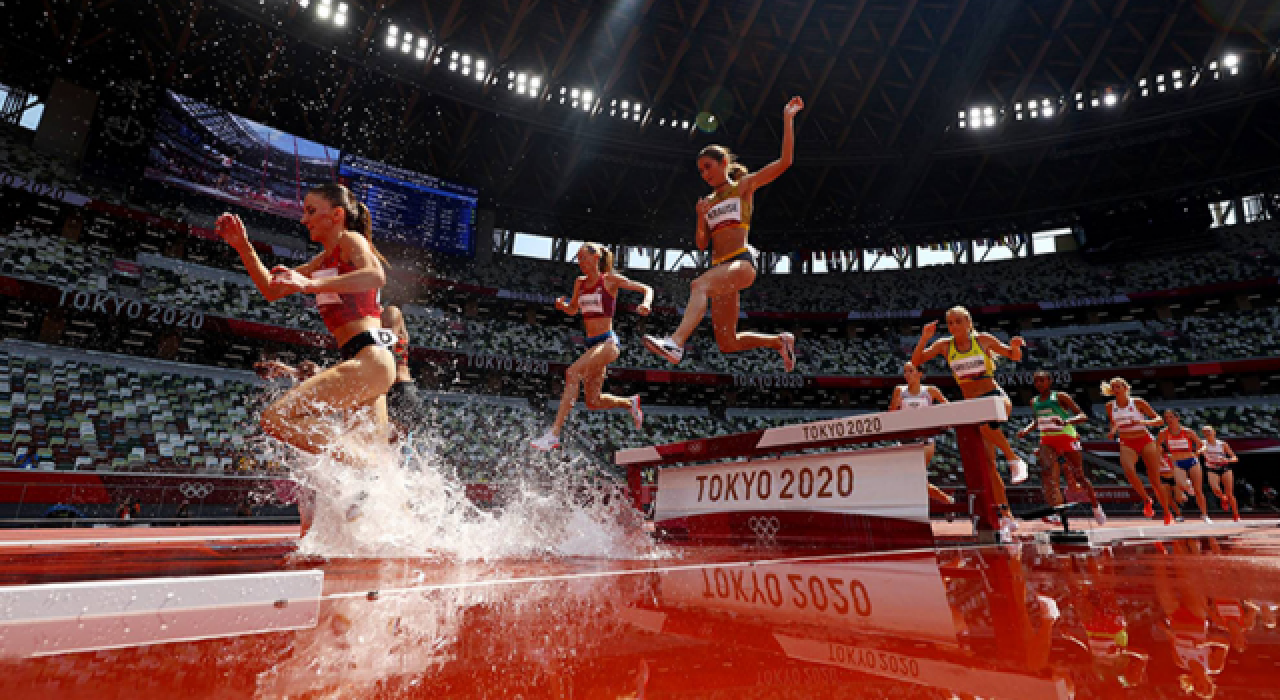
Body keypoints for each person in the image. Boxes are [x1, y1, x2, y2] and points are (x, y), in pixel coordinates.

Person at [217, 183, 397, 469]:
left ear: (337, 214)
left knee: (276, 419)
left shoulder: (351, 240)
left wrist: (310, 285)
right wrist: (243, 246)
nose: (304, 220)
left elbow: (376, 275)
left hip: (371, 359)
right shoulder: (323, 260)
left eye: (311, 211)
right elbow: (271, 290)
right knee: (376, 481)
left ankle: (369, 467)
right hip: (365, 366)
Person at [643, 98, 805, 372]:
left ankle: (676, 342)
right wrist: (699, 216)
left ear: (724, 163)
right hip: (719, 266)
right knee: (727, 342)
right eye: (700, 170)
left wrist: (788, 118)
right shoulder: (707, 201)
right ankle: (779, 341)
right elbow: (701, 243)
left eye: (708, 166)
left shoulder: (744, 186)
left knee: (698, 286)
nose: (704, 174)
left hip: (741, 263)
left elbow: (785, 161)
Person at [910, 306, 1028, 536]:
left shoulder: (982, 340)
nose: (953, 326)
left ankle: (1014, 459)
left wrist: (1015, 347)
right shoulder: (945, 345)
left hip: (995, 397)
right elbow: (916, 361)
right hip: (973, 407)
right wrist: (924, 338)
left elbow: (1013, 356)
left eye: (957, 322)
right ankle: (1006, 515)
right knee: (989, 464)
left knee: (985, 420)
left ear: (968, 322)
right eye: (950, 323)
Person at [532, 243, 653, 451]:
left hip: (608, 343)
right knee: (593, 401)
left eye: (583, 258)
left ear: (596, 257)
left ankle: (554, 433)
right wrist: (563, 306)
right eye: (578, 259)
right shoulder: (580, 282)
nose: (580, 263)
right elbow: (573, 310)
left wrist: (646, 303)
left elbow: (645, 288)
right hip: (592, 346)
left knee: (572, 372)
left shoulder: (610, 280)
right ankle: (630, 402)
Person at [1017, 370, 1107, 525]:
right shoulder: (1034, 401)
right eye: (1036, 381)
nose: (1038, 384)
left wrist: (1066, 422)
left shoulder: (1060, 396)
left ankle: (1096, 506)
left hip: (1066, 437)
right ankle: (1056, 511)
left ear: (1049, 381)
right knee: (1047, 472)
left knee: (1079, 477)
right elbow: (1037, 421)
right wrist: (1026, 430)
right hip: (1047, 439)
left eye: (1041, 381)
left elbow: (1083, 416)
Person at [1102, 378, 1171, 525]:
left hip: (1145, 439)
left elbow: (1159, 420)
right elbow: (1114, 422)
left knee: (1155, 481)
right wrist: (1112, 432)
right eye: (1113, 387)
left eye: (1118, 386)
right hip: (1126, 441)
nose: (1116, 389)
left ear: (1126, 388)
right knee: (1128, 471)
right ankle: (1146, 500)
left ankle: (1166, 512)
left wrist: (1142, 422)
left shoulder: (1138, 402)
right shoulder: (1110, 406)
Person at [887, 361, 955, 508]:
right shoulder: (899, 390)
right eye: (905, 371)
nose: (906, 375)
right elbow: (891, 416)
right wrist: (895, 405)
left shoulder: (931, 391)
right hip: (905, 439)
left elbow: (949, 408)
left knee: (913, 476)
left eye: (910, 371)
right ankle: (947, 500)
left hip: (926, 441)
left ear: (920, 374)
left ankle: (941, 501)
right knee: (911, 478)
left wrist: (941, 420)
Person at [1157, 410, 1211, 523]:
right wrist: (1160, 458)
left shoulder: (1187, 432)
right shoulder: (1163, 433)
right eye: (1167, 418)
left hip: (1192, 461)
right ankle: (1188, 485)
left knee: (1198, 490)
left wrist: (1199, 451)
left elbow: (1203, 445)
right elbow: (1157, 447)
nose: (1169, 420)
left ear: (1178, 419)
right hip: (1178, 463)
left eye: (1171, 417)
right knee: (1181, 485)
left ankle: (1205, 515)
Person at [1200, 425, 1240, 522]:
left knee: (1230, 493)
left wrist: (1227, 460)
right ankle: (1223, 498)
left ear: (1214, 432)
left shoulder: (1222, 444)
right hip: (1211, 468)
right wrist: (1200, 451)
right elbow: (1198, 451)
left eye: (1209, 430)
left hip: (1225, 468)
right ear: (1203, 434)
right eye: (1205, 431)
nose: (1207, 433)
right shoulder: (1202, 443)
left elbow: (1235, 458)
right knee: (1215, 489)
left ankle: (1236, 515)